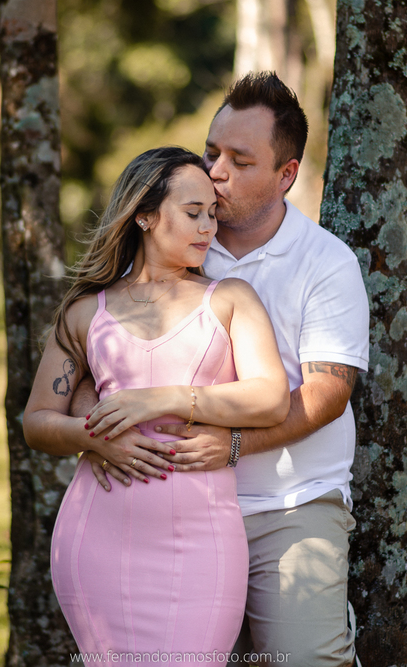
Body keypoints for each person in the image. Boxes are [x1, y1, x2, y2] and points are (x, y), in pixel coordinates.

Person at [75, 72, 370, 667]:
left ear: (286, 176)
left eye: (239, 159)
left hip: (286, 507)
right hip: (167, 501)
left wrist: (233, 445)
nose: (216, 171)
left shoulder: (325, 263)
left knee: (305, 661)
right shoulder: (172, 240)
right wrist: (101, 435)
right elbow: (95, 363)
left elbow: (327, 394)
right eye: (211, 152)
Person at [22, 146, 291, 666]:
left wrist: (162, 399)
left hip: (200, 546)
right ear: (144, 215)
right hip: (96, 538)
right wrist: (93, 437)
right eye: (193, 213)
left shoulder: (231, 299)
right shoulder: (85, 313)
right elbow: (37, 422)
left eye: (212, 214)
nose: (208, 227)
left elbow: (271, 398)